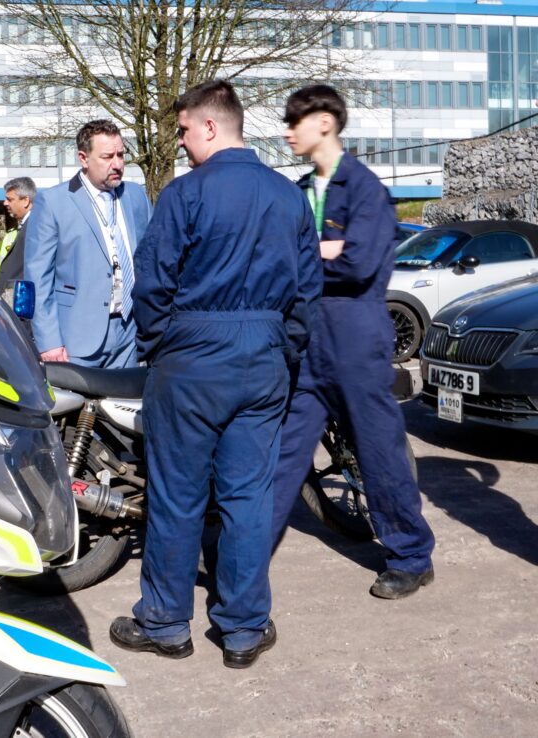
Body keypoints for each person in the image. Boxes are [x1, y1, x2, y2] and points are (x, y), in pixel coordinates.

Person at [109, 81, 322, 668]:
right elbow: (307, 293)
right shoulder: (288, 197)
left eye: (182, 130)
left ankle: (165, 622)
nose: (178, 142)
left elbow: (152, 285)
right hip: (262, 358)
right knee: (248, 497)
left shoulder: (184, 195)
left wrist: (164, 344)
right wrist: (283, 349)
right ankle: (244, 629)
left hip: (193, 359)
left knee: (177, 496)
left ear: (209, 126)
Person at [272, 85, 435, 599]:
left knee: (378, 451)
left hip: (355, 341)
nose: (287, 130)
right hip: (308, 342)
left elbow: (358, 264)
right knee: (282, 457)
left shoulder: (364, 188)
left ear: (324, 122)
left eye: (294, 120)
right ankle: (243, 556)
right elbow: (285, 260)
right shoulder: (300, 190)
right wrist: (322, 251)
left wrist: (310, 255)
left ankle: (410, 554)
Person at [24, 119, 152, 368]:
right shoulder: (53, 202)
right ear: (83, 158)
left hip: (130, 333)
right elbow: (37, 278)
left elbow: (151, 259)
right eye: (107, 157)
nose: (117, 164)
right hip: (76, 338)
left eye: (120, 155)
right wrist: (49, 341)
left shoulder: (135, 196)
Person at [0, 177, 35, 302]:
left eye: (10, 199)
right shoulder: (28, 224)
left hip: (22, 301)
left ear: (25, 201)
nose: (5, 203)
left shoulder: (35, 226)